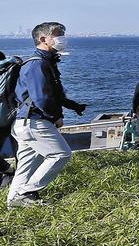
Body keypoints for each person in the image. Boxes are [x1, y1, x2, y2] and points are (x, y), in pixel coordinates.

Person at [7, 22, 87, 208]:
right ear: (43, 39)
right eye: (58, 34)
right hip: (35, 121)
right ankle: (27, 192)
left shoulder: (45, 62)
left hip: (24, 123)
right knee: (61, 154)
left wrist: (74, 106)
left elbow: (54, 94)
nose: (62, 38)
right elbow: (42, 98)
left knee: (27, 163)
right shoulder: (37, 64)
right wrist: (55, 117)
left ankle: (13, 201)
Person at [0, 51, 16, 188]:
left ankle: (9, 172)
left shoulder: (7, 69)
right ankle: (9, 173)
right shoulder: (11, 68)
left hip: (3, 119)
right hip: (9, 118)